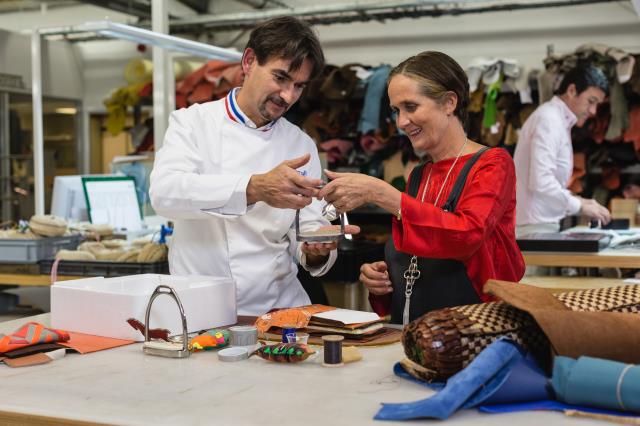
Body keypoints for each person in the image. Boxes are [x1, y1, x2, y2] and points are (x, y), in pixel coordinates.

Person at [149, 17, 358, 316]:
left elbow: (309, 228)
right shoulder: (192, 123)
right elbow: (165, 194)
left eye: (299, 86)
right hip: (201, 310)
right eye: (281, 77)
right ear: (249, 61)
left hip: (278, 309)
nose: (288, 96)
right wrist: (253, 187)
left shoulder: (300, 144)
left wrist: (316, 249)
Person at [318, 51, 525, 325]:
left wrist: (383, 194)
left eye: (411, 107)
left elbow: (466, 235)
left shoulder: (492, 164)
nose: (401, 121)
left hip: (475, 331)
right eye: (396, 110)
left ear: (449, 102)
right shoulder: (419, 176)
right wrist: (382, 278)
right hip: (420, 332)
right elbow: (416, 262)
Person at [514, 65, 612, 239]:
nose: (593, 111)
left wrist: (580, 201)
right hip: (533, 230)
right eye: (591, 101)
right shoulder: (549, 121)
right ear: (572, 90)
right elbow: (541, 181)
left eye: (597, 104)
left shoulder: (556, 120)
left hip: (538, 227)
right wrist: (580, 206)